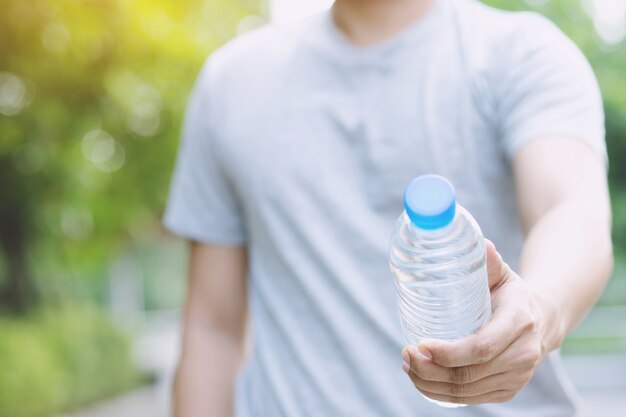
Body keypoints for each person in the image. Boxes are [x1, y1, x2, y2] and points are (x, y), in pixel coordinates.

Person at [163, 0, 613, 415]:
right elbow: (211, 329)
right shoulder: (231, 83)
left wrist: (537, 309)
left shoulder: (519, 52)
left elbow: (572, 212)